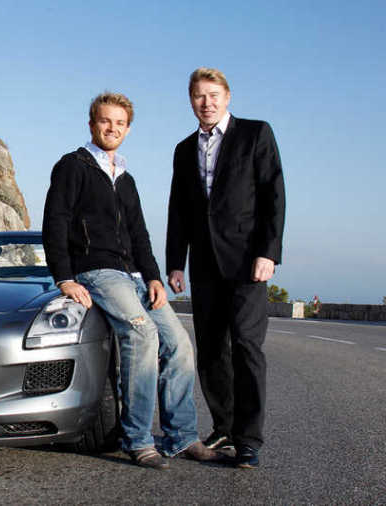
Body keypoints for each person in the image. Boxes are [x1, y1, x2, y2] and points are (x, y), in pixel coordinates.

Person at [43, 92, 218, 469]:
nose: (112, 128)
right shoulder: (72, 166)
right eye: (106, 121)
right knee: (142, 334)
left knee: (179, 344)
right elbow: (55, 222)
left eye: (120, 123)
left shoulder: (126, 178)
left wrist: (153, 277)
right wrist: (65, 278)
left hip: (135, 275)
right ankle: (137, 438)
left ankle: (181, 436)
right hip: (98, 271)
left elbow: (140, 235)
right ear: (92, 124)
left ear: (128, 129)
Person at [166, 68, 286, 469]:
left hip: (247, 264)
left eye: (213, 95)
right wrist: (175, 263)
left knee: (247, 346)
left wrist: (268, 252)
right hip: (204, 265)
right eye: (199, 96)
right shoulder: (184, 149)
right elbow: (179, 210)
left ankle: (249, 439)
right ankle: (224, 426)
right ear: (191, 101)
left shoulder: (256, 133)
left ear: (227, 96)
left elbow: (273, 195)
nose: (207, 103)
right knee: (212, 350)